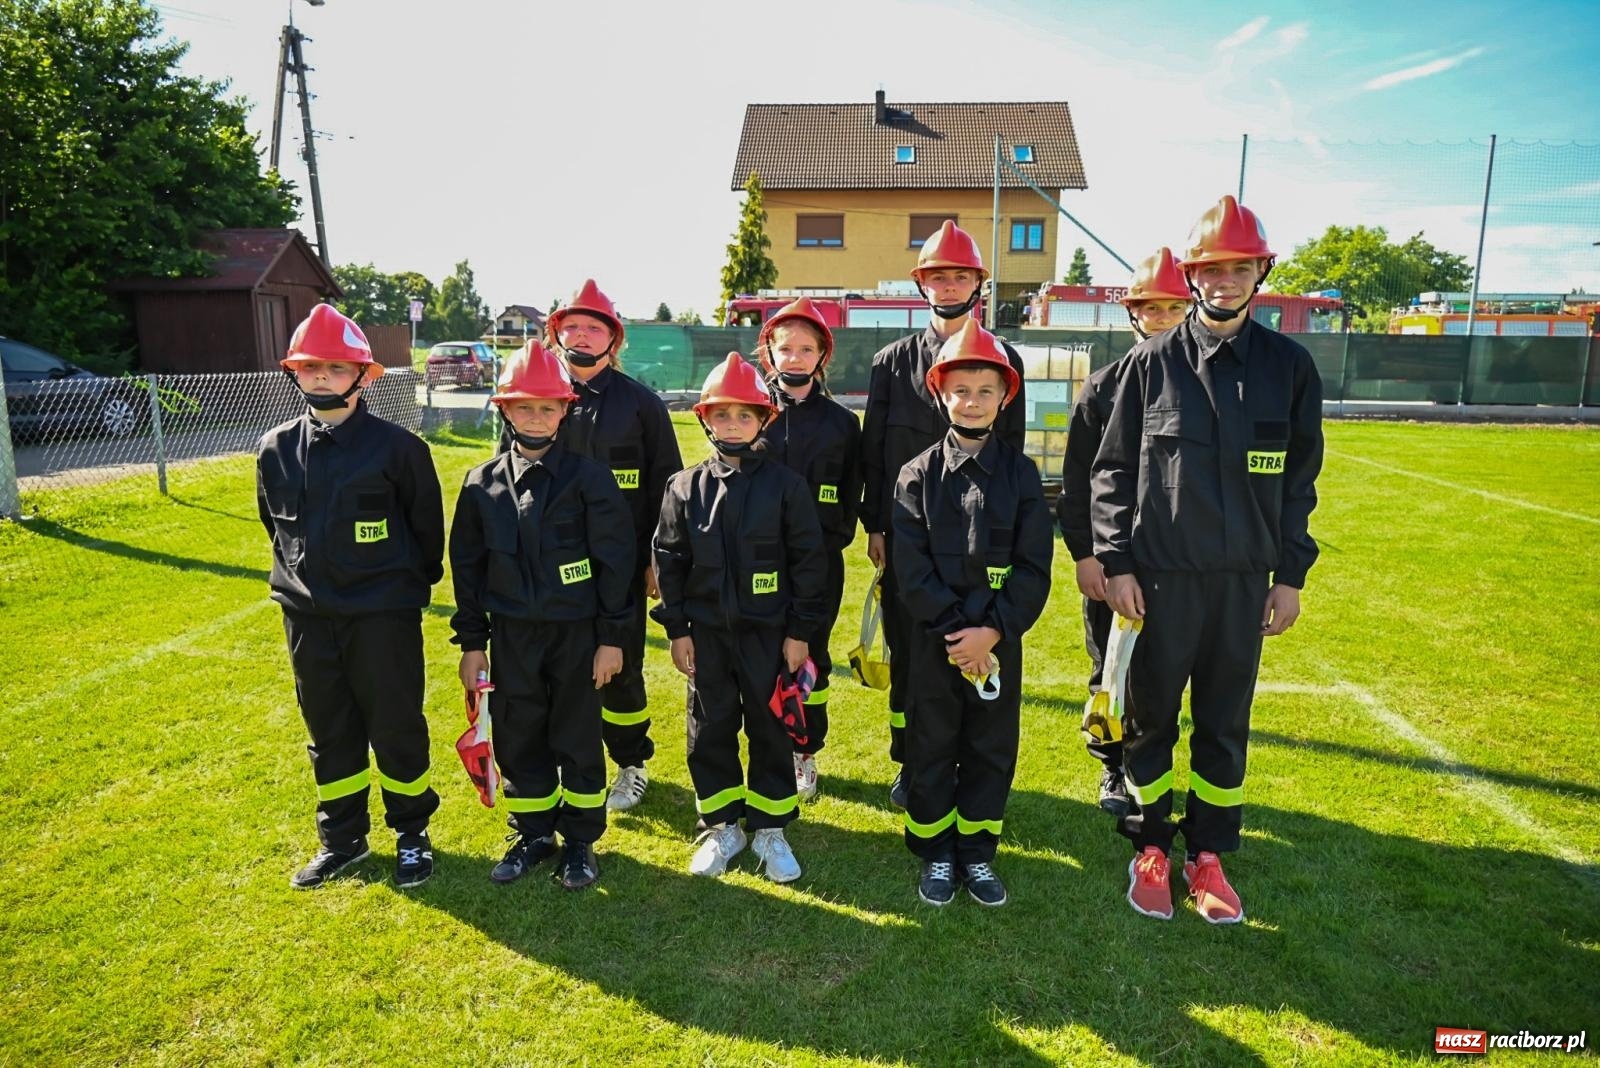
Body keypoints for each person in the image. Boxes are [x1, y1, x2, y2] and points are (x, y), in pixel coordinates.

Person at [1093, 196, 1324, 924]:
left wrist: (1289, 576)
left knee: (1224, 723)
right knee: (1150, 719)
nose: (1224, 279)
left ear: (1262, 272)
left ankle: (1211, 852)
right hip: (1157, 584)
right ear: (1192, 275)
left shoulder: (1289, 368)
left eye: (1239, 266)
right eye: (1211, 267)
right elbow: (1111, 473)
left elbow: (1298, 482)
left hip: (1240, 586)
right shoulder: (1150, 365)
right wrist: (1117, 563)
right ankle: (1152, 847)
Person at [256, 303, 445, 890]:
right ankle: (343, 840)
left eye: (336, 368)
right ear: (294, 372)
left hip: (381, 619)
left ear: (362, 376)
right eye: (311, 367)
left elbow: (426, 535)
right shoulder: (275, 449)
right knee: (330, 729)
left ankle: (412, 834)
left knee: (395, 725)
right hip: (309, 620)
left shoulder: (400, 450)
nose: (321, 377)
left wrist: (391, 592)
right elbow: (275, 526)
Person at [449, 341, 634, 891]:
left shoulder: (589, 480)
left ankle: (579, 841)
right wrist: (473, 644)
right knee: (518, 735)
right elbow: (468, 571)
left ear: (565, 410)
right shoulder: (480, 486)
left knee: (576, 734)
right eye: (524, 406)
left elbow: (615, 566)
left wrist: (611, 639)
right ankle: (532, 833)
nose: (536, 416)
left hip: (577, 637)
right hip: (511, 640)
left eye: (547, 407)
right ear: (505, 409)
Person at [860, 221, 1028, 808]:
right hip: (909, 538)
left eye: (961, 275)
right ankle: (912, 762)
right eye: (939, 276)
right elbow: (875, 451)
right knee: (912, 653)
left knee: (977, 635)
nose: (950, 285)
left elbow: (1013, 456)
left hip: (982, 540)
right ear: (922, 284)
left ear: (978, 283)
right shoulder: (890, 362)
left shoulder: (1004, 360)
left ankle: (970, 762)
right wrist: (877, 527)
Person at [892, 321, 1053, 907]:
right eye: (961, 390)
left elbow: (1034, 568)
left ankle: (978, 855)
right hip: (936, 644)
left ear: (1005, 397)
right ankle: (936, 853)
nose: (973, 401)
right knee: (931, 744)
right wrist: (957, 635)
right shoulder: (915, 476)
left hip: (996, 644)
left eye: (986, 390)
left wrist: (992, 631)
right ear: (940, 394)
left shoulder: (1023, 476)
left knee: (989, 747)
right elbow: (912, 573)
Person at [652, 353, 827, 883]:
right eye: (722, 415)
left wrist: (799, 634)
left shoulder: (786, 487)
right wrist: (678, 629)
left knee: (771, 729)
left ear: (763, 419)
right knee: (710, 729)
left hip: (771, 637)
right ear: (705, 419)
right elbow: (670, 562)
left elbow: (809, 563)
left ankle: (771, 830)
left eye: (744, 415)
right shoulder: (683, 488)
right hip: (706, 639)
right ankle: (724, 825)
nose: (733, 424)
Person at [1056, 248, 1191, 820]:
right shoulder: (1103, 388)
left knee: (1165, 672)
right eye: (1149, 308)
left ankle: (1151, 768)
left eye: (1170, 307)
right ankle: (1112, 765)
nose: (1159, 318)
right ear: (1131, 314)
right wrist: (1089, 557)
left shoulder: (1205, 388)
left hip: (1180, 564)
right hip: (1115, 562)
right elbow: (1078, 482)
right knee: (1110, 663)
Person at [540, 280, 683, 813]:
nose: (582, 335)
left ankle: (630, 763)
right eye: (572, 326)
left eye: (593, 327)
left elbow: (667, 488)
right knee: (558, 666)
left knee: (620, 668)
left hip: (620, 567)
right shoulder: (537, 399)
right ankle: (568, 761)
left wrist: (655, 560)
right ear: (557, 333)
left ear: (613, 339)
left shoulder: (641, 405)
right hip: (551, 564)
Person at [755, 297, 863, 802]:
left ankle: (805, 751)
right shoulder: (752, 413)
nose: (794, 358)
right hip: (756, 566)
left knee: (808, 660)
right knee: (757, 659)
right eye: (785, 348)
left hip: (818, 569)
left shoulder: (843, 424)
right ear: (769, 353)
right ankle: (767, 750)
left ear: (823, 355)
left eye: (806, 349)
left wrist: (822, 546)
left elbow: (848, 496)